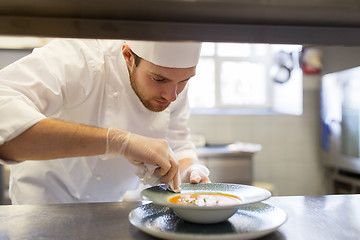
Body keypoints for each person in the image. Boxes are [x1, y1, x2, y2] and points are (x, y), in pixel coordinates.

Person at [0, 38, 210, 204]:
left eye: (184, 80)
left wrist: (189, 170)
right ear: (128, 56)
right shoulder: (79, 56)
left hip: (109, 204)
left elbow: (179, 142)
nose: (172, 96)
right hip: (45, 198)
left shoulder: (172, 85)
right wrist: (120, 142)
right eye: (158, 79)